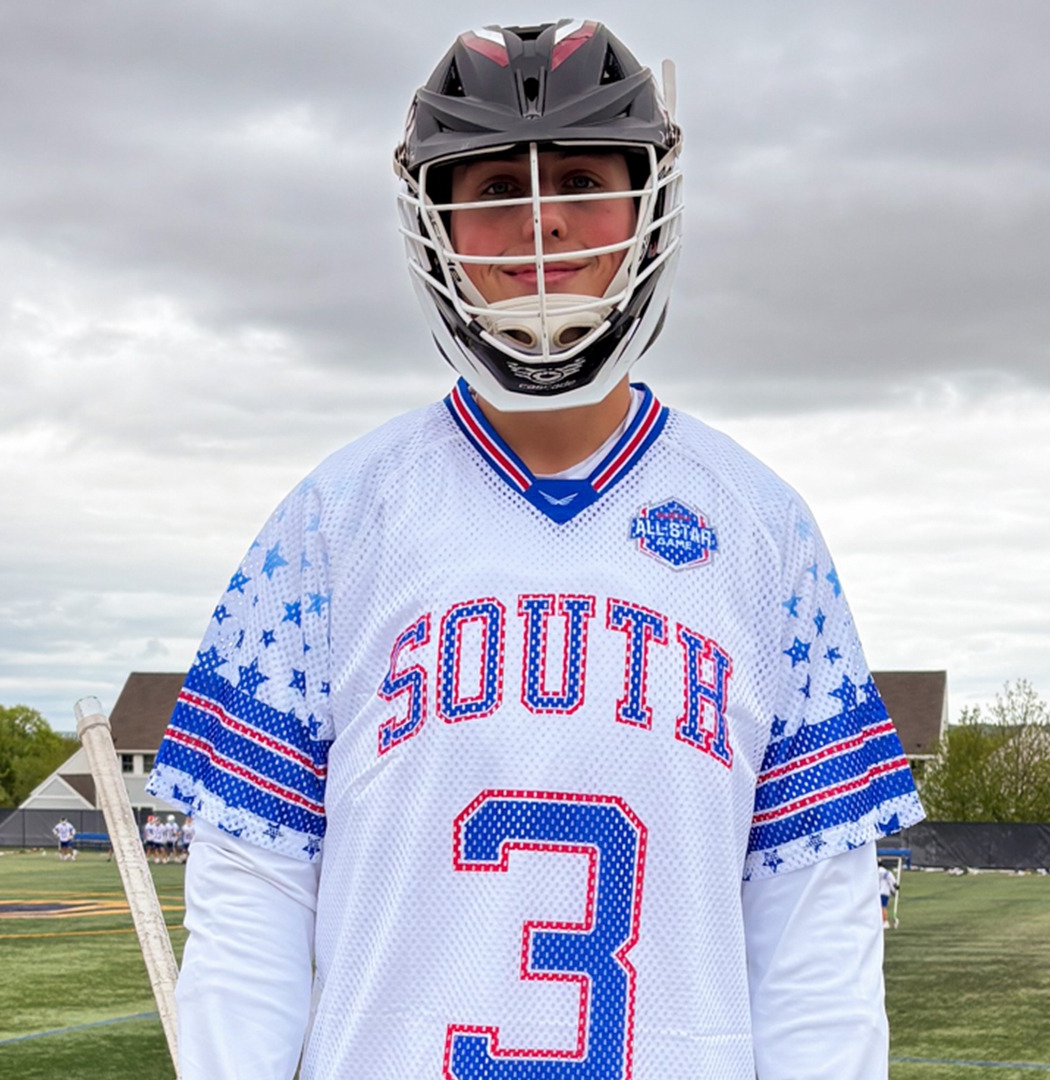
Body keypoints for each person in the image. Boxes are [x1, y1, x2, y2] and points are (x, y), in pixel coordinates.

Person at [145, 20, 924, 1079]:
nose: (543, 225)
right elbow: (253, 898)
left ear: (652, 203)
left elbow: (813, 932)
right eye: (495, 192)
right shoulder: (331, 522)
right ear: (439, 224)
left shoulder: (761, 529)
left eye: (583, 179)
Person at [878, 858, 899, 927]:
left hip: (883, 891)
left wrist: (894, 885)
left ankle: (885, 922)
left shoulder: (881, 871)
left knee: (882, 907)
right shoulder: (879, 871)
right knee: (880, 907)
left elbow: (889, 877)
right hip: (881, 891)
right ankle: (882, 921)